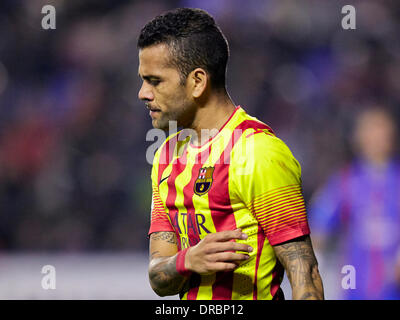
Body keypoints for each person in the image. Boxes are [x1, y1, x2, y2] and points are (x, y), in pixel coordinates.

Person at [137, 7, 324, 300]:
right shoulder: (165, 158)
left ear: (197, 81)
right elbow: (158, 278)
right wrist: (188, 261)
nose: (143, 93)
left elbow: (306, 274)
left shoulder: (258, 152)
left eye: (155, 81)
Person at [309, 107, 400, 300]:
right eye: (370, 129)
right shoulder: (345, 182)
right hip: (354, 287)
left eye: (382, 128)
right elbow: (318, 224)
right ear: (358, 137)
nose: (376, 136)